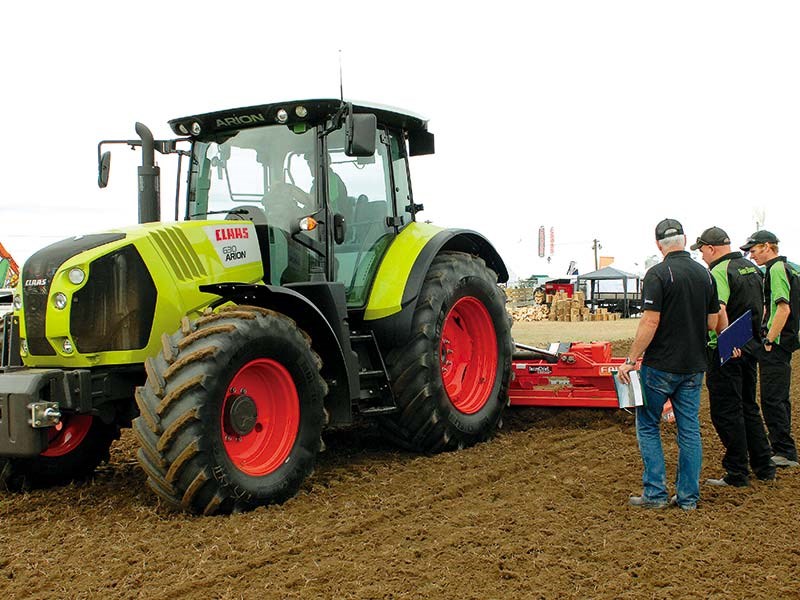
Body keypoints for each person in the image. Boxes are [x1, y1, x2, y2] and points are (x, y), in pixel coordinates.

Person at [618, 219, 719, 511]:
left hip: (660, 366)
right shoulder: (705, 275)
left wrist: (630, 359)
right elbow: (713, 322)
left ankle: (655, 494)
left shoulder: (658, 274)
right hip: (693, 367)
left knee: (648, 425)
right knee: (689, 430)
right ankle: (688, 498)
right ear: (685, 240)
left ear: (658, 244)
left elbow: (651, 321)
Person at [691, 226, 775, 486]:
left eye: (702, 251)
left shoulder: (718, 271)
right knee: (748, 406)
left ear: (711, 248)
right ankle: (764, 466)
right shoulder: (750, 268)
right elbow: (761, 309)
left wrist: (725, 342)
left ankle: (737, 471)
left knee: (726, 411)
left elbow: (719, 311)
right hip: (749, 345)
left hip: (727, 349)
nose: (702, 256)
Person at [740, 230, 800, 468]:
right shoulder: (791, 268)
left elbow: (782, 308)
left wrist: (768, 339)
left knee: (772, 399)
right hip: (788, 342)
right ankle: (784, 448)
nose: (752, 256)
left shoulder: (775, 270)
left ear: (767, 246)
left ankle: (784, 450)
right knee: (780, 398)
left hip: (777, 344)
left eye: (754, 250)